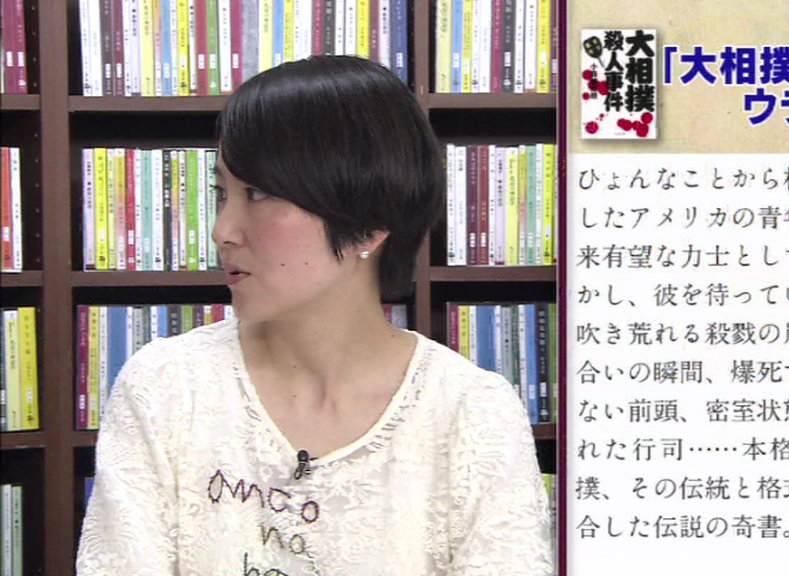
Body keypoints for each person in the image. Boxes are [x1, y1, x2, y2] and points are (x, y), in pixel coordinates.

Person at [76, 56, 553, 576]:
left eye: (258, 193)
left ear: (369, 224)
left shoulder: (471, 413)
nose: (223, 231)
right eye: (222, 193)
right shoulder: (165, 387)